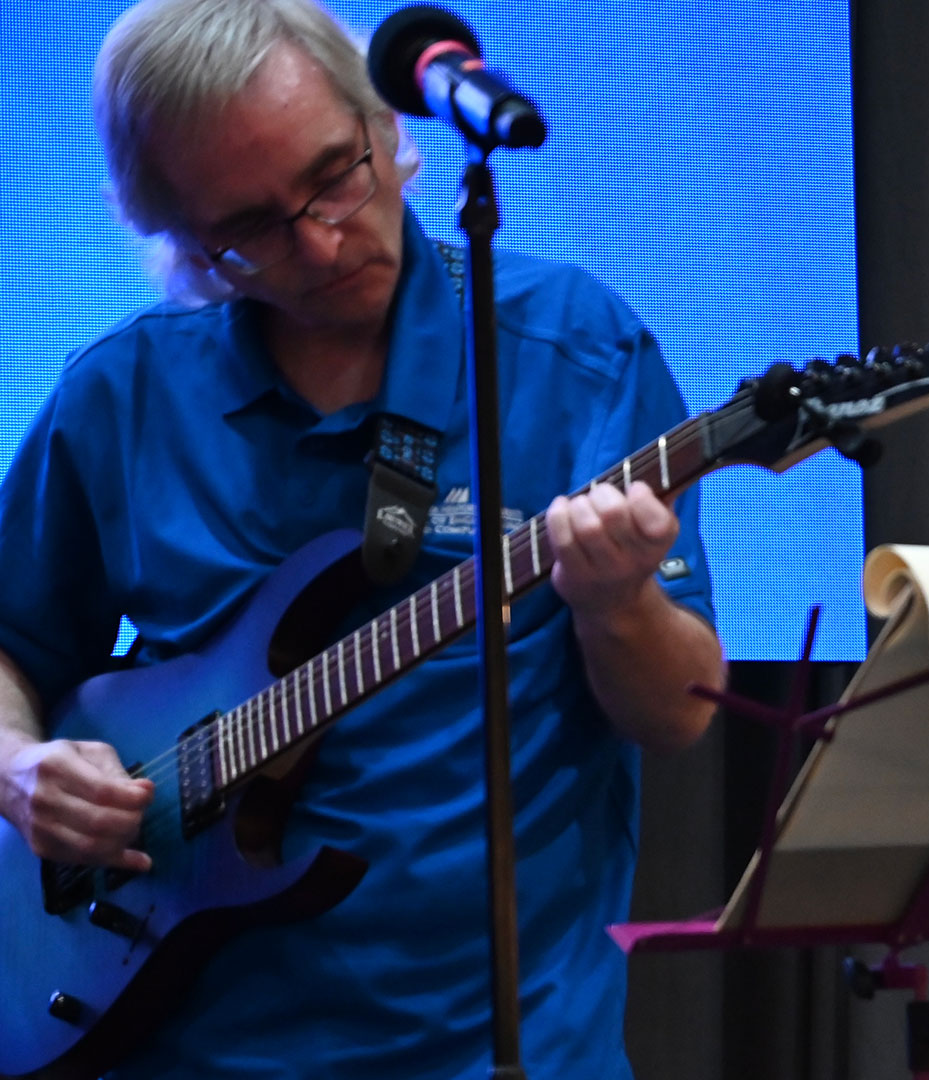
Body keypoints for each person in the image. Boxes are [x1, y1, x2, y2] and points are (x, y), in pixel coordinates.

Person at [0, 0, 724, 1076]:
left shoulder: (575, 349)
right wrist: (20, 768)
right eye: (249, 229)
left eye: (335, 174)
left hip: (499, 1047)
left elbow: (675, 716)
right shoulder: (123, 394)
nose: (322, 240)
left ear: (387, 128)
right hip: (179, 1042)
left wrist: (617, 602)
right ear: (184, 243)